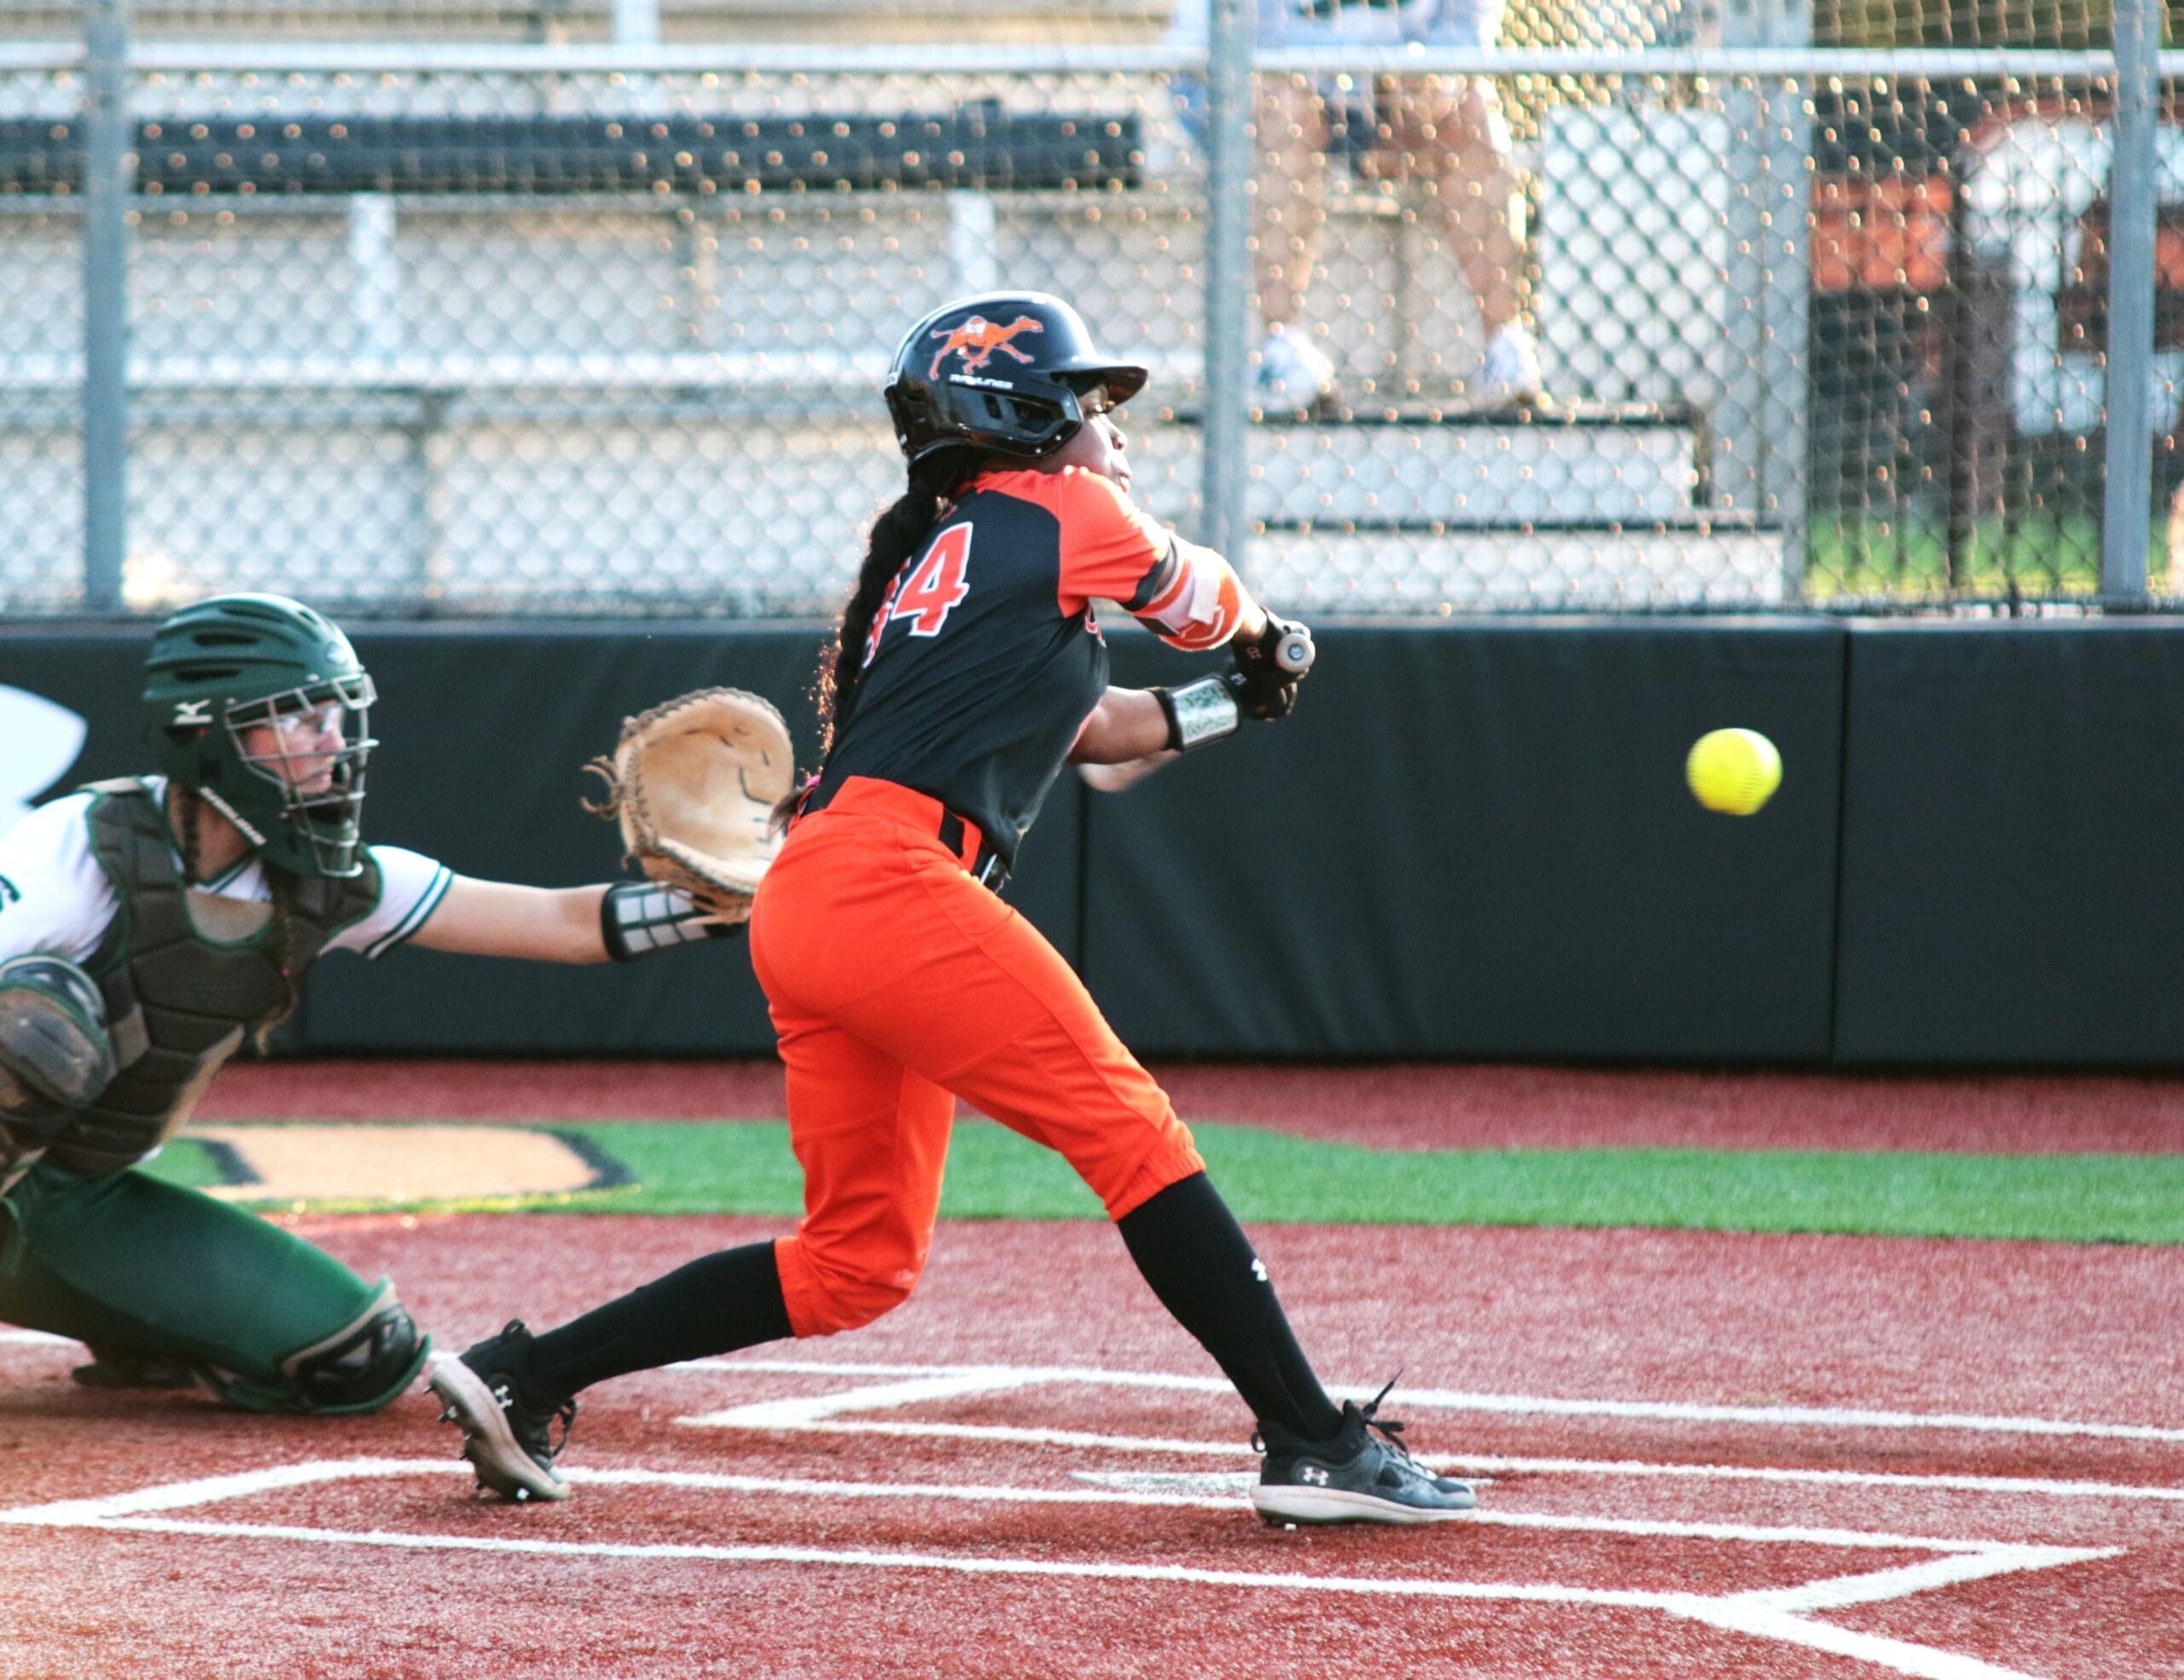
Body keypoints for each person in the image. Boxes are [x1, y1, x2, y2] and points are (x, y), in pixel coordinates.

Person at [430, 293, 1477, 1527]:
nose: (1114, 435)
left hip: (823, 899)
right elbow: (1203, 598)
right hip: (891, 883)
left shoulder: (946, 563)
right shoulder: (1064, 510)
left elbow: (1100, 732)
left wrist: (1238, 703)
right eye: (1089, 407)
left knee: (854, 1262)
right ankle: (1314, 1439)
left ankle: (526, 1370)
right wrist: (1259, 642)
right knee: (1130, 1132)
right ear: (1022, 415)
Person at [0, 592, 732, 1417]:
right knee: (33, 1023)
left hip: (79, 1198)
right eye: (299, 718)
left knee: (358, 1360)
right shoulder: (74, 850)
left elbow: (560, 922)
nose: (332, 741)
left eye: (337, 716)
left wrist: (735, 900)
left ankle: (145, 1324)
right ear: (207, 733)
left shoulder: (328, 879)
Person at [1174, 0, 1544, 410]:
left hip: (1397, 87)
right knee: (1288, 106)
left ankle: (1505, 348)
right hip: (1274, 85)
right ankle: (1281, 350)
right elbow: (1221, 42)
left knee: (1474, 109)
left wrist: (1432, 75)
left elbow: (1468, 24)